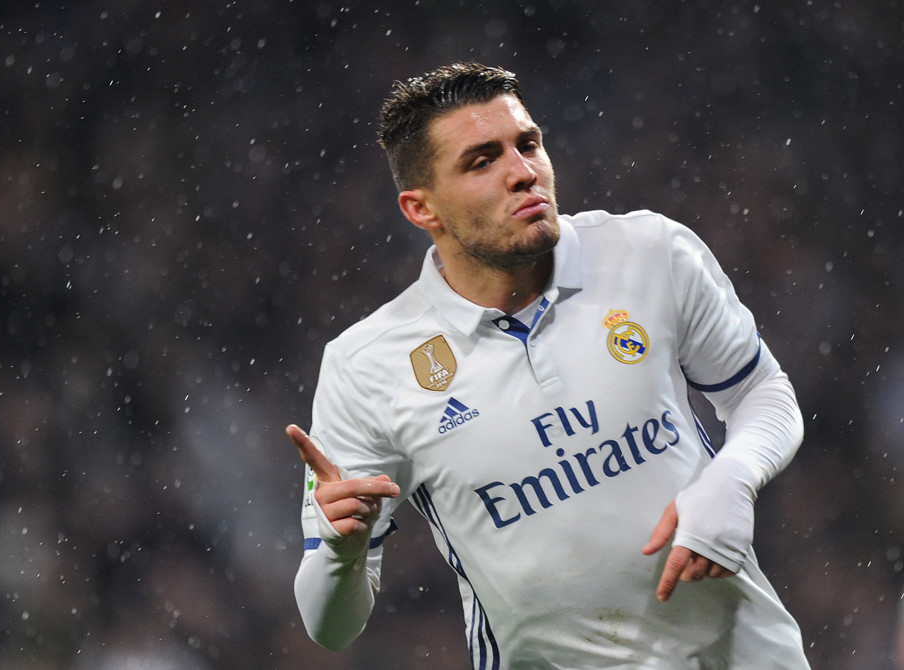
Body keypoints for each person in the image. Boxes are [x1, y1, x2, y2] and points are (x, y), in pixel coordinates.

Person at [288, 61, 811, 669]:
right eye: (482, 161)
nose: (522, 172)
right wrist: (341, 553)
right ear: (420, 209)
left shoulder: (649, 252)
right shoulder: (366, 365)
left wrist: (733, 478)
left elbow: (760, 392)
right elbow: (329, 627)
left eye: (528, 144)